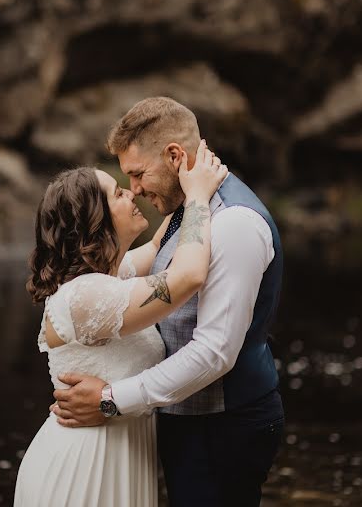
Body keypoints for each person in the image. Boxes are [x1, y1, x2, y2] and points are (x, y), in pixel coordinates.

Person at [51, 97, 285, 507]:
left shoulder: (234, 224)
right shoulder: (185, 211)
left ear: (176, 156)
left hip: (223, 425)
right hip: (187, 422)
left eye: (138, 174)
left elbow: (215, 352)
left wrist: (110, 399)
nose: (135, 190)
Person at [14, 141, 228, 506]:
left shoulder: (110, 276)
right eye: (117, 192)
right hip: (83, 469)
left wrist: (183, 177)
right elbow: (188, 273)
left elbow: (165, 241)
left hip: (118, 457)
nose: (132, 193)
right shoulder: (86, 297)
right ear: (96, 220)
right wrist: (197, 196)